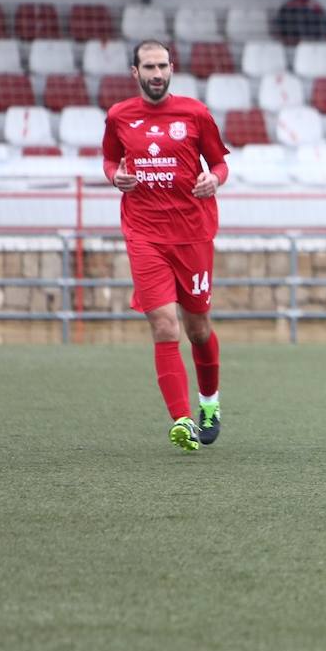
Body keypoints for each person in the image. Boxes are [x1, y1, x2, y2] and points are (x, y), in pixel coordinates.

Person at [102, 40, 228, 452]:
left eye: (162, 66)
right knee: (163, 324)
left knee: (198, 328)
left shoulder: (195, 113)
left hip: (192, 233)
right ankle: (183, 421)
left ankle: (209, 404)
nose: (157, 74)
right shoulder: (119, 116)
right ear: (134, 72)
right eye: (148, 67)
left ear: (172, 68)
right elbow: (108, 159)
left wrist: (215, 179)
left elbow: (220, 162)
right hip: (144, 233)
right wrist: (113, 176)